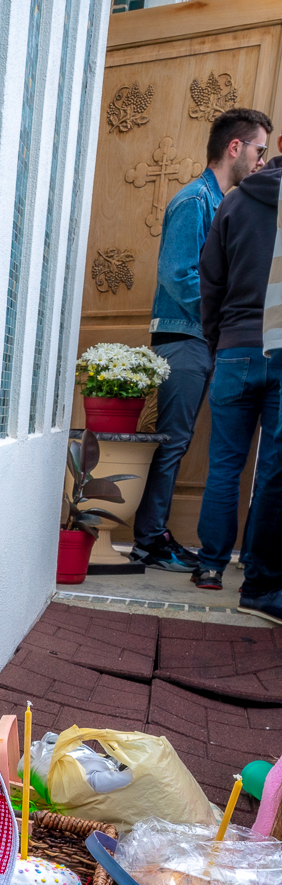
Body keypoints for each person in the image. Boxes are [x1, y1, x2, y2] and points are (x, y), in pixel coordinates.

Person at [130, 107, 273, 570]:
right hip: (184, 338)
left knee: (178, 440)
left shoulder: (221, 201)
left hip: (201, 338)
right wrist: (225, 318)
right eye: (258, 149)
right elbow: (178, 274)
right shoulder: (195, 200)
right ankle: (149, 541)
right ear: (235, 147)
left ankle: (153, 536)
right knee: (173, 441)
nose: (261, 160)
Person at [193, 130, 282, 615]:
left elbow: (211, 280)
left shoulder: (234, 201)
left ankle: (209, 566)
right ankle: (257, 569)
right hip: (279, 345)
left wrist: (218, 340)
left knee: (225, 464)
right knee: (273, 467)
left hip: (233, 348)